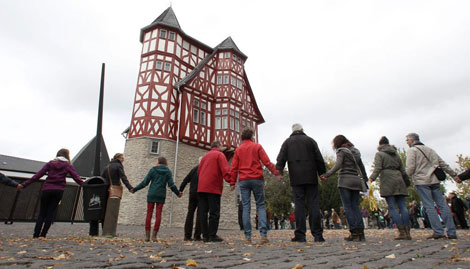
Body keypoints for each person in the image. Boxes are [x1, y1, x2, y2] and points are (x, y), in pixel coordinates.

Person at [276, 123, 327, 242]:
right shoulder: (310, 141)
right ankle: (318, 235)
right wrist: (322, 173)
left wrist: (279, 172)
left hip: (296, 177)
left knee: (299, 205)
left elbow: (281, 158)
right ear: (302, 130)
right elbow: (319, 158)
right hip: (311, 177)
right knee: (313, 204)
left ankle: (300, 234)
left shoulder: (287, 142)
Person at [17, 149, 83, 238]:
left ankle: (36, 234)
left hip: (47, 189)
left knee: (42, 213)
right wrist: (86, 185)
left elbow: (37, 175)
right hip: (58, 190)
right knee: (50, 213)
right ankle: (43, 234)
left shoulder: (50, 163)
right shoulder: (67, 165)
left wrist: (24, 184)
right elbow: (76, 178)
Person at [230, 128, 280, 244]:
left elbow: (234, 167)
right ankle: (263, 234)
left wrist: (232, 182)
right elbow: (266, 162)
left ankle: (248, 236)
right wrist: (275, 172)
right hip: (257, 178)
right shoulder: (257, 147)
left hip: (243, 180)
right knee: (261, 205)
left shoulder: (238, 150)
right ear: (252, 136)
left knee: (246, 207)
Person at [405, 133, 457, 239]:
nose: (407, 143)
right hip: (435, 180)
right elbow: (443, 164)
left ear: (411, 140)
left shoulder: (412, 150)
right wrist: (454, 175)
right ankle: (451, 232)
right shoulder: (430, 150)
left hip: (422, 181)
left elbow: (410, 167)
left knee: (429, 206)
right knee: (442, 205)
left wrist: (404, 180)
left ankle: (438, 231)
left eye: (407, 140)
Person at [320, 135, 368, 242]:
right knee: (355, 206)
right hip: (356, 180)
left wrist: (327, 175)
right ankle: (361, 233)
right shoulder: (356, 151)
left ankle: (354, 232)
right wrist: (364, 178)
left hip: (345, 181)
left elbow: (338, 165)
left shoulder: (341, 151)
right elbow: (361, 166)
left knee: (348, 207)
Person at [368, 136, 411, 240]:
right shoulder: (396, 154)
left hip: (388, 180)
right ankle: (407, 232)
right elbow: (403, 170)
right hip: (399, 179)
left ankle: (401, 232)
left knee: (392, 207)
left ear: (380, 145)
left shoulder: (379, 154)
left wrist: (371, 179)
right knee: (403, 207)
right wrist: (407, 181)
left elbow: (378, 168)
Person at [131, 156, 182, 241]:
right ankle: (154, 236)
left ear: (158, 162)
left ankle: (147, 236)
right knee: (158, 215)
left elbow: (145, 183)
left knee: (149, 214)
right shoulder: (168, 171)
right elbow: (171, 185)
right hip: (161, 195)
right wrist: (178, 193)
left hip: (152, 194)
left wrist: (135, 189)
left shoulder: (153, 170)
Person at [197, 141, 231, 242]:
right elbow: (225, 170)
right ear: (218, 146)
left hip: (202, 187)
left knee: (203, 212)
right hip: (213, 187)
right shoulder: (220, 155)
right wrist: (231, 181)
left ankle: (205, 235)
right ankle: (212, 235)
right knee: (214, 212)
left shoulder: (204, 157)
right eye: (221, 146)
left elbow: (199, 172)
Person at [101, 153, 134, 237]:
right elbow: (123, 177)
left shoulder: (107, 166)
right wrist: (130, 187)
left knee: (105, 210)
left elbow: (102, 178)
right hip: (114, 189)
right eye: (122, 158)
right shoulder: (118, 166)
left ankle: (104, 229)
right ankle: (110, 231)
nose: (123, 160)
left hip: (105, 189)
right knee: (113, 209)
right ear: (118, 158)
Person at [179, 158, 202, 241]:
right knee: (200, 214)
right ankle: (197, 235)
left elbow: (185, 180)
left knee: (190, 213)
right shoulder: (204, 169)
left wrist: (180, 190)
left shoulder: (193, 169)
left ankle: (187, 235)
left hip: (192, 193)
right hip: (201, 193)